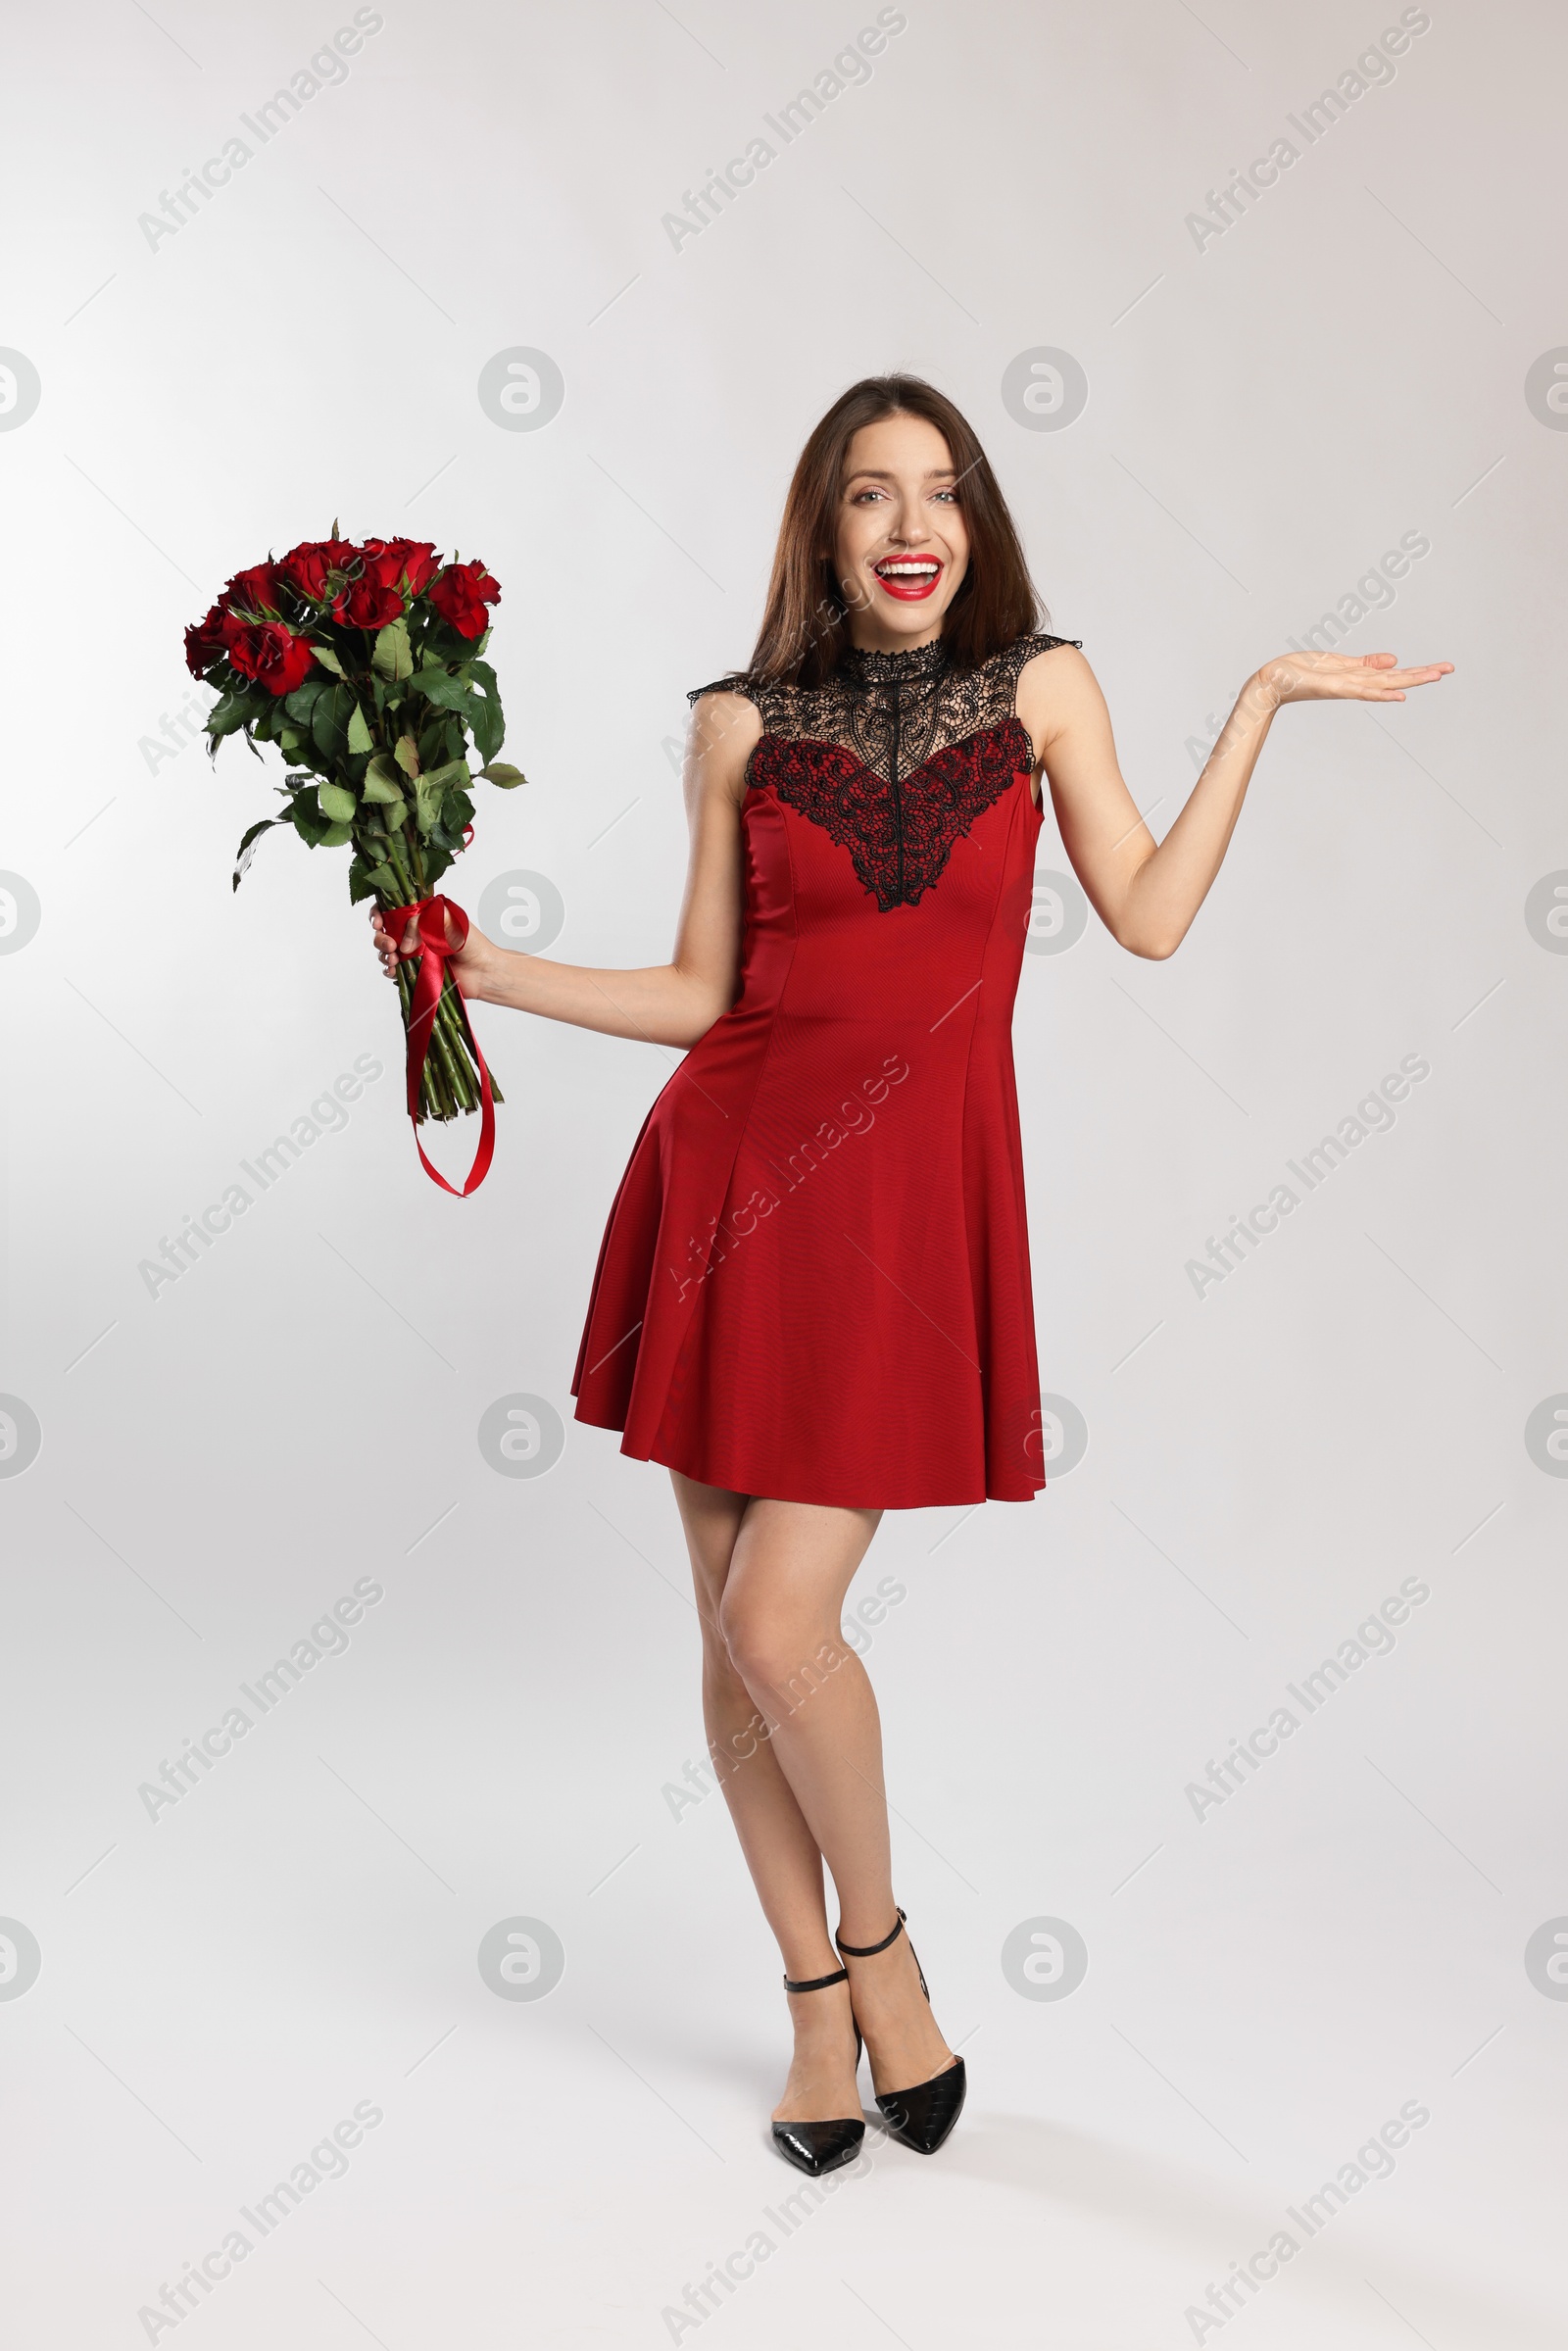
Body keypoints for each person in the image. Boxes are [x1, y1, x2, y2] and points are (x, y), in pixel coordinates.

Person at [372, 373, 1451, 2177]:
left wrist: (1258, 705)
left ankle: (886, 1964)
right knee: (731, 1642)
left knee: (779, 1626)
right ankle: (816, 2008)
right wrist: (490, 979)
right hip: (725, 1182)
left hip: (901, 1214)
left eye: (939, 491)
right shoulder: (734, 724)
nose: (908, 527)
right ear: (825, 527)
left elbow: (1155, 916)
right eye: (870, 496)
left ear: (976, 520)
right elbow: (704, 995)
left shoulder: (1040, 692)